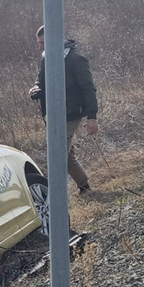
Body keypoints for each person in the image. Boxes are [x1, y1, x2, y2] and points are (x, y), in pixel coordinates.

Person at [28, 25, 99, 194]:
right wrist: (36, 89)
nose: (40, 47)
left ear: (55, 40)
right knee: (66, 155)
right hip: (52, 114)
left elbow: (89, 88)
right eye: (39, 43)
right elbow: (41, 80)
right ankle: (84, 187)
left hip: (71, 114)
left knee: (57, 154)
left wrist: (92, 117)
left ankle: (55, 197)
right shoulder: (46, 58)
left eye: (43, 43)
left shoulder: (76, 59)